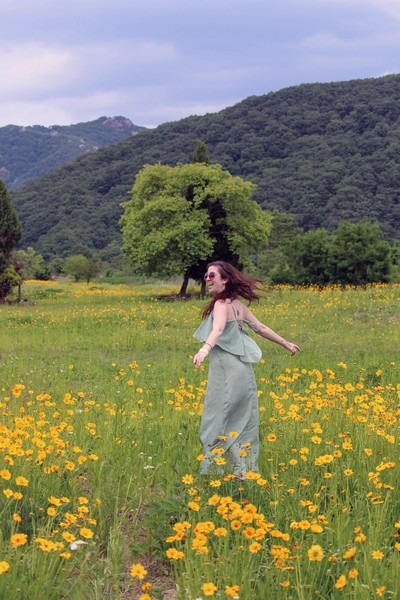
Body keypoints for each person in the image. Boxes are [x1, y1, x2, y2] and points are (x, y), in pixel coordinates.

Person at [193, 261, 300, 480]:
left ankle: (213, 470)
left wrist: (204, 349)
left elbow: (219, 329)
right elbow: (260, 328)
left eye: (212, 276)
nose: (207, 279)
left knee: (217, 416)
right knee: (242, 417)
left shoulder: (222, 305)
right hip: (243, 370)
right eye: (206, 275)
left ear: (225, 280)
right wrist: (285, 343)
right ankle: (242, 469)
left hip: (227, 370)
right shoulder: (239, 306)